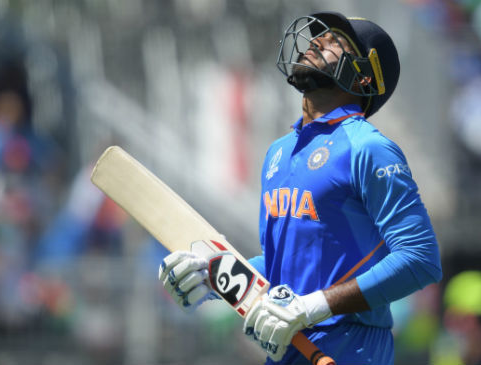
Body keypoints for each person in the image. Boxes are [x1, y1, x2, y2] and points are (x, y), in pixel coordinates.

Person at [158, 11, 442, 364]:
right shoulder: (279, 152)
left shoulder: (368, 147)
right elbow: (283, 266)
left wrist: (312, 307)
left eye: (336, 41)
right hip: (286, 347)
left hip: (350, 348)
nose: (316, 41)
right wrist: (213, 273)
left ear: (364, 75)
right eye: (318, 36)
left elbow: (420, 259)